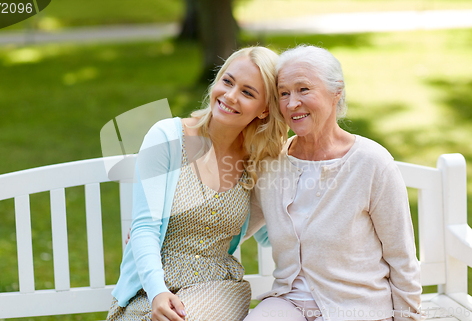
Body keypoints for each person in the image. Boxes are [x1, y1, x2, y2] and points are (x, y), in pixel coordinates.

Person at [107, 46, 288, 321]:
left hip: (217, 289)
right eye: (227, 81)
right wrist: (157, 293)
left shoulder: (259, 162)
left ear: (264, 110)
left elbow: (276, 229)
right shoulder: (167, 137)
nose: (230, 96)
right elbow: (145, 227)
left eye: (247, 92)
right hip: (149, 291)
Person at [244, 45, 422, 321]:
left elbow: (401, 256)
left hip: (357, 307)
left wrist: (408, 317)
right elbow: (236, 225)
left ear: (336, 91)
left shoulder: (371, 162)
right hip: (289, 303)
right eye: (283, 93)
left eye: (303, 89)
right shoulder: (272, 165)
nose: (292, 104)